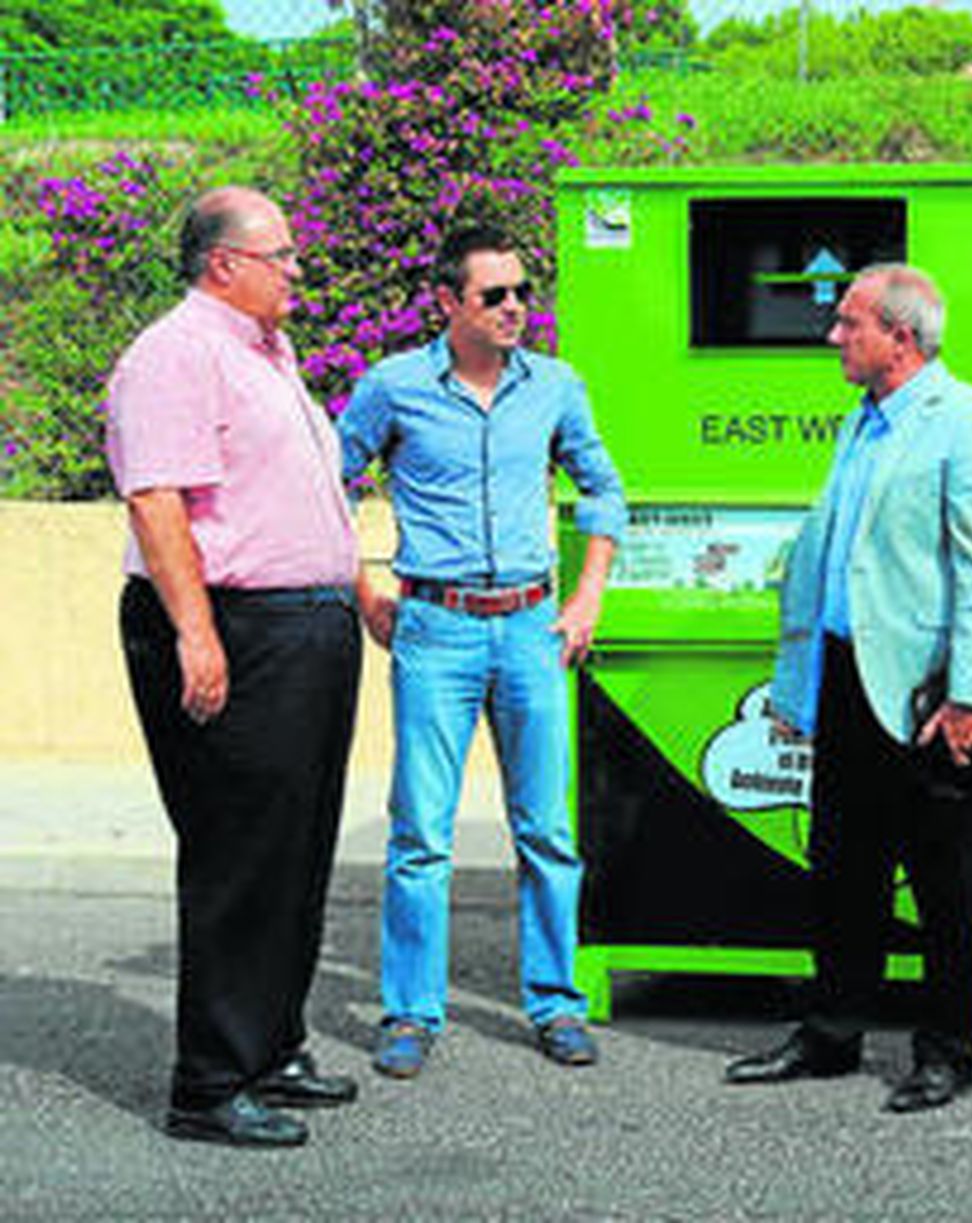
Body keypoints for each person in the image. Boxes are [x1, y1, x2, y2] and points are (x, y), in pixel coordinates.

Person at [723, 265, 972, 1114]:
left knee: (949, 883)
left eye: (849, 323)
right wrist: (801, 689)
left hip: (933, 696)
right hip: (849, 682)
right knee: (842, 870)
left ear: (901, 338)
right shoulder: (860, 424)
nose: (833, 336)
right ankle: (832, 1032)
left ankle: (946, 1052)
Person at [107, 187, 363, 1148]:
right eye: (282, 254)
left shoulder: (265, 353)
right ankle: (209, 1083)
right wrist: (196, 632)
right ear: (224, 264)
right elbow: (157, 502)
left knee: (295, 849)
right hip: (235, 627)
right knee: (237, 853)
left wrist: (353, 585)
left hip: (305, 627)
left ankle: (271, 1045)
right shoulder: (174, 355)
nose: (298, 267)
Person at [338, 224, 625, 1079]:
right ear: (449, 303)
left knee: (546, 827)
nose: (514, 309)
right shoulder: (394, 387)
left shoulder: (556, 387)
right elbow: (326, 485)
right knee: (421, 832)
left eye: (522, 293)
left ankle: (555, 1000)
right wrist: (364, 593)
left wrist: (586, 598)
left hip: (533, 629)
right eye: (494, 295)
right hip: (436, 629)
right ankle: (410, 1012)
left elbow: (604, 491)